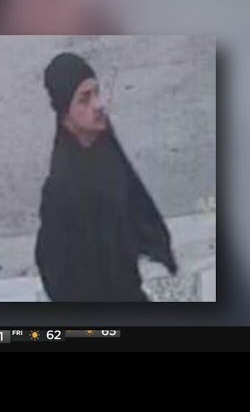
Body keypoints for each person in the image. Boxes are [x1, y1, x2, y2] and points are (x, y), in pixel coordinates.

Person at [35, 52, 178, 302]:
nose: (99, 105)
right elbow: (53, 267)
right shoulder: (61, 187)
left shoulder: (105, 149)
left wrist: (153, 245)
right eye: (84, 99)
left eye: (97, 93)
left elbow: (133, 197)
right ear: (65, 113)